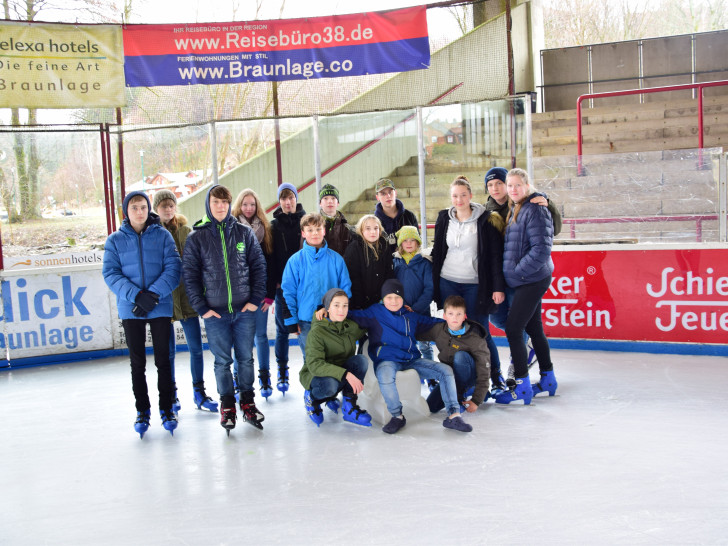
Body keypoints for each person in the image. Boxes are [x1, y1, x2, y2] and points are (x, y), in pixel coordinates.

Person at [182, 185, 267, 434]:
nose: (220, 206)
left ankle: (248, 402)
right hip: (215, 314)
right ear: (208, 204)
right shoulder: (197, 237)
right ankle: (227, 404)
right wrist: (202, 308)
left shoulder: (243, 233)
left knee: (245, 358)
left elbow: (258, 266)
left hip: (244, 312)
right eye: (216, 202)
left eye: (224, 202)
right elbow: (190, 276)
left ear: (230, 205)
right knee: (222, 362)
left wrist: (254, 300)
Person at [347, 279, 473, 434]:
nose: (393, 301)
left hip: (411, 360)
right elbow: (351, 314)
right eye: (389, 297)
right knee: (385, 375)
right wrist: (325, 310)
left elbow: (432, 322)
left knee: (445, 370)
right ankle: (397, 416)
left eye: (397, 297)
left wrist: (454, 321)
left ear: (403, 298)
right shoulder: (375, 312)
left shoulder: (411, 316)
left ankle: (453, 415)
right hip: (387, 360)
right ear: (383, 298)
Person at [102, 191, 181, 438]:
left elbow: (174, 267)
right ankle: (142, 410)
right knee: (137, 363)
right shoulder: (115, 240)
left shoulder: (163, 235)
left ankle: (167, 408)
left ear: (149, 209)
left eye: (143, 207)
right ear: (127, 211)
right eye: (134, 207)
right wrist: (136, 296)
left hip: (159, 305)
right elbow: (111, 273)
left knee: (163, 360)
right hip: (131, 307)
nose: (140, 212)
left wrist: (153, 295)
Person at [484, 166, 561, 385]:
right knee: (533, 327)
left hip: (528, 278)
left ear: (527, 186)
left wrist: (516, 272)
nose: (510, 189)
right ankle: (548, 377)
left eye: (516, 185)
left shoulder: (535, 207)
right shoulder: (513, 206)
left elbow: (541, 248)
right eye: (510, 185)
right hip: (522, 278)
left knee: (514, 329)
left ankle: (520, 381)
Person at [431, 175, 506, 391]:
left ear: (471, 196)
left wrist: (498, 287)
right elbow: (438, 251)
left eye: (463, 195)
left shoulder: (486, 219)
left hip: (475, 285)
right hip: (448, 281)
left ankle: (495, 376)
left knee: (480, 331)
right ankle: (460, 378)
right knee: (453, 330)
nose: (459, 199)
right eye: (455, 195)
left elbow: (494, 256)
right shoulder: (444, 217)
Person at [152, 189, 217, 413]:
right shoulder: (153, 233)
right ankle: (171, 394)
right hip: (165, 301)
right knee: (168, 353)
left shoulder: (187, 231)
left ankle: (199, 392)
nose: (168, 210)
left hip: (188, 298)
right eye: (163, 207)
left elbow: (198, 263)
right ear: (156, 209)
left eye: (171, 206)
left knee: (196, 349)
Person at [281, 213, 352, 363]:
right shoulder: (295, 261)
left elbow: (345, 289)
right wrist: (291, 321)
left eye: (318, 229)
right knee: (312, 361)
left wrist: (339, 312)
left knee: (333, 360)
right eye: (310, 230)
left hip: (331, 321)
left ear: (324, 231)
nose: (315, 233)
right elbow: (288, 292)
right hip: (306, 321)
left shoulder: (337, 259)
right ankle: (311, 387)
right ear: (303, 233)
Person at [300, 288, 372, 427]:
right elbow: (315, 365)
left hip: (340, 372)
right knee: (330, 386)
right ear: (327, 307)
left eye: (345, 305)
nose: (341, 310)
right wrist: (346, 374)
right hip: (317, 376)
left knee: (360, 361)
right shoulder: (317, 332)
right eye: (336, 305)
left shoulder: (349, 326)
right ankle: (312, 398)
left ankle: (349, 408)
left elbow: (370, 324)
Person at [231, 188, 275, 400]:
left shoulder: (264, 229)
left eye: (252, 204)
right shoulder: (232, 228)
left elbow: (269, 263)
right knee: (241, 339)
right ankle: (238, 377)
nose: (249, 208)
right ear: (239, 206)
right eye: (245, 204)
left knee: (261, 336)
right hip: (239, 295)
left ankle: (264, 376)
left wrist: (268, 295)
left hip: (259, 295)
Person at [418, 295, 491, 413]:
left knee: (460, 356)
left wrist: (477, 400)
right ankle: (463, 391)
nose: (455, 318)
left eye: (459, 314)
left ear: (464, 316)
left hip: (469, 376)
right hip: (450, 378)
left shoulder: (475, 338)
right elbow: (417, 334)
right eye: (451, 314)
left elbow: (484, 370)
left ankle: (461, 393)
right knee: (431, 407)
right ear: (444, 316)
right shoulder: (439, 330)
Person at [269, 182, 305, 395]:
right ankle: (282, 370)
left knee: (305, 328)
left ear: (296, 198)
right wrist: (275, 282)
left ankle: (311, 366)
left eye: (290, 197)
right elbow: (271, 256)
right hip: (282, 287)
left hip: (304, 287)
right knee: (283, 330)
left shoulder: (306, 220)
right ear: (279, 201)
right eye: (283, 198)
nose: (288, 201)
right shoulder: (273, 226)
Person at [392, 225, 434, 360]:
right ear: (400, 243)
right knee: (404, 343)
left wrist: (415, 308)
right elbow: (392, 286)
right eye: (405, 240)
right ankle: (409, 371)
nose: (409, 243)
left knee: (424, 344)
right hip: (401, 311)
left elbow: (430, 288)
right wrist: (401, 305)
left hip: (421, 312)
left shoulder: (425, 262)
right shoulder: (395, 262)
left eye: (412, 240)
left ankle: (431, 377)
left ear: (418, 242)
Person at [343, 214, 394, 311]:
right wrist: (359, 304)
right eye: (368, 228)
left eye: (376, 228)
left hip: (381, 302)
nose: (373, 232)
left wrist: (386, 297)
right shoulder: (354, 248)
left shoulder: (384, 246)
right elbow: (353, 278)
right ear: (361, 230)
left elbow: (389, 273)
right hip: (360, 304)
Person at [373, 178, 419, 254]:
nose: (388, 196)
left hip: (407, 263)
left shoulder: (409, 216)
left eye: (390, 192)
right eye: (383, 193)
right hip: (385, 264)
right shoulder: (374, 221)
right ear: (377, 197)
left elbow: (417, 242)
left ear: (396, 193)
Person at [318, 183, 353, 256]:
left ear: (338, 203)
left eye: (333, 198)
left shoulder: (347, 228)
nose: (330, 201)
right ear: (320, 203)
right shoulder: (313, 227)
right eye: (325, 198)